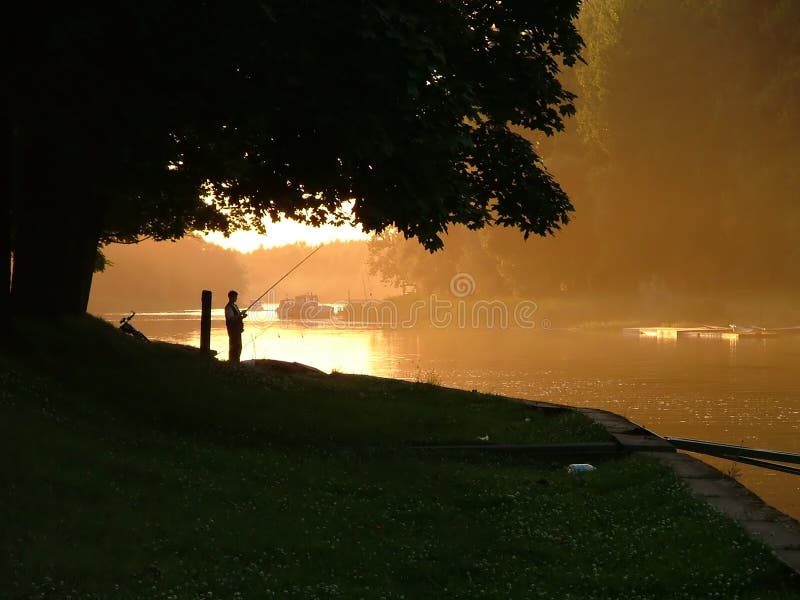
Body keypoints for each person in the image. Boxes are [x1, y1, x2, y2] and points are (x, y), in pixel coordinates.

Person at [224, 290, 247, 363]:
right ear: (230, 297)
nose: (236, 298)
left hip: (238, 330)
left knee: (239, 347)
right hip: (232, 331)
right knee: (234, 347)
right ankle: (232, 362)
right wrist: (240, 314)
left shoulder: (235, 306)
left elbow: (237, 317)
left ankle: (237, 362)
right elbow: (232, 319)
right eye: (235, 296)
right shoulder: (228, 307)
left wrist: (242, 316)